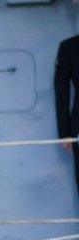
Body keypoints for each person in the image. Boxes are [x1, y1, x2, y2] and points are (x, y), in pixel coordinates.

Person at [54, 32, 79, 193]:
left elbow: (61, 92)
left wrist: (65, 133)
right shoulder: (68, 47)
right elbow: (61, 92)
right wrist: (65, 134)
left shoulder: (69, 46)